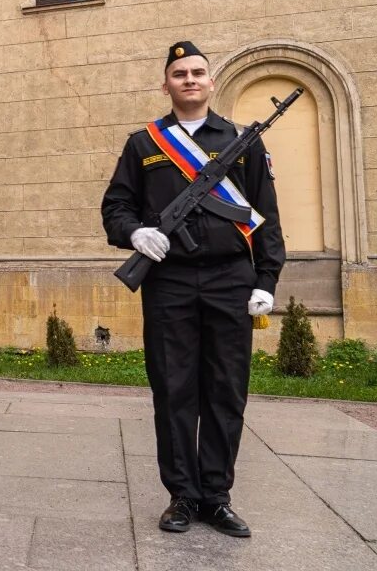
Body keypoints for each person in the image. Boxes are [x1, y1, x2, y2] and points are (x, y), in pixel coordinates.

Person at [102, 41, 284, 538]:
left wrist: (267, 279)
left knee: (226, 390)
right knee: (174, 389)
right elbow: (115, 208)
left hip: (231, 280)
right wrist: (135, 233)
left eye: (197, 72)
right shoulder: (144, 144)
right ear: (166, 84)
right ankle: (182, 495)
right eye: (179, 73)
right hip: (169, 283)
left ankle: (217, 497)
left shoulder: (241, 141)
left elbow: (264, 215)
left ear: (210, 82)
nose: (189, 79)